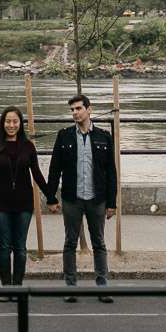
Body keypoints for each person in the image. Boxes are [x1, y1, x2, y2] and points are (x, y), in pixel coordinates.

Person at [43, 93, 116, 303]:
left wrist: (112, 202)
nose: (74, 113)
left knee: (99, 242)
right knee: (70, 242)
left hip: (97, 198)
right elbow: (55, 168)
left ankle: (102, 286)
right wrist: (51, 197)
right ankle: (71, 287)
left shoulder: (104, 137)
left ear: (89, 110)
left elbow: (111, 172)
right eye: (72, 110)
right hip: (72, 198)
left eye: (78, 109)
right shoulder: (64, 136)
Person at [0, 106, 48, 301]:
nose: (11, 125)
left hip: (24, 204)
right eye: (8, 121)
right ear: (2, 124)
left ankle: (18, 288)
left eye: (15, 122)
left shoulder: (28, 147)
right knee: (4, 246)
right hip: (1, 204)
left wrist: (51, 197)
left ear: (20, 124)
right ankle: (6, 288)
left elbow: (36, 174)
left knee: (20, 247)